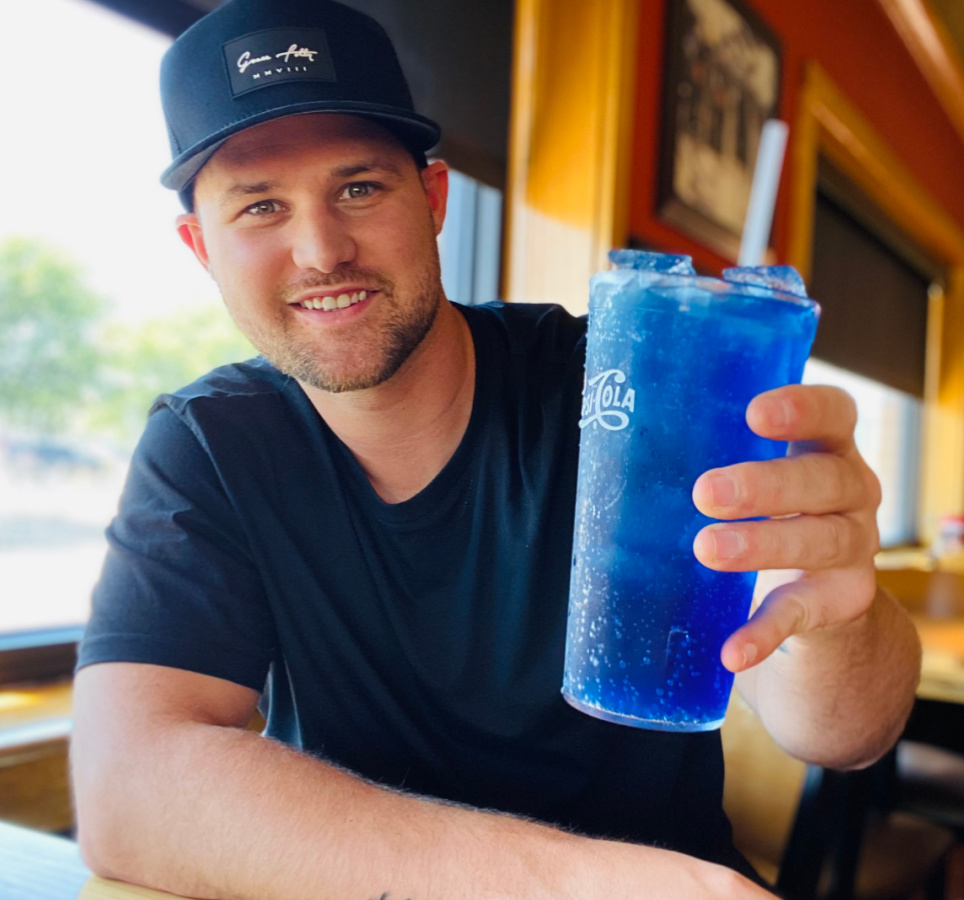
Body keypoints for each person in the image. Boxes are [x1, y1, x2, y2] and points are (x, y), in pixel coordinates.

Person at [70, 1, 921, 898]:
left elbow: (845, 735)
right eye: (261, 206)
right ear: (201, 247)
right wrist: (573, 884)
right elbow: (130, 787)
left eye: (360, 187)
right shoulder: (213, 442)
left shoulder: (627, 391)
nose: (321, 250)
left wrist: (837, 619)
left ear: (433, 200)